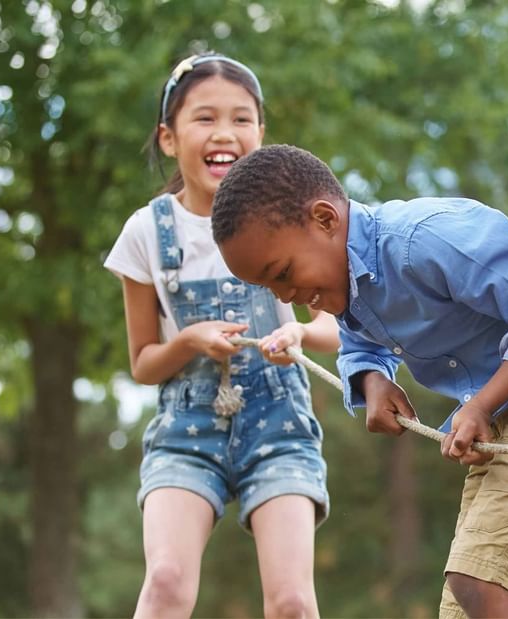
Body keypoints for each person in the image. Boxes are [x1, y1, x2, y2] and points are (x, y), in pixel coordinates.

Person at [210, 143, 508, 619]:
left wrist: (480, 405)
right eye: (270, 289)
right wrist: (373, 382)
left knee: (481, 581)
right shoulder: (348, 286)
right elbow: (359, 341)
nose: (288, 295)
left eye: (284, 273)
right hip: (506, 416)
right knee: (463, 604)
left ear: (326, 220)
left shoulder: (425, 239)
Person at [104, 53, 339, 618]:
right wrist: (188, 342)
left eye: (242, 119)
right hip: (187, 428)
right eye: (205, 118)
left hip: (279, 425)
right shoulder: (147, 232)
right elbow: (142, 363)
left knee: (290, 602)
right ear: (168, 137)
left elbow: (333, 323)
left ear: (261, 133)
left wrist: (300, 339)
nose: (225, 134)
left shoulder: (295, 214)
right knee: (164, 581)